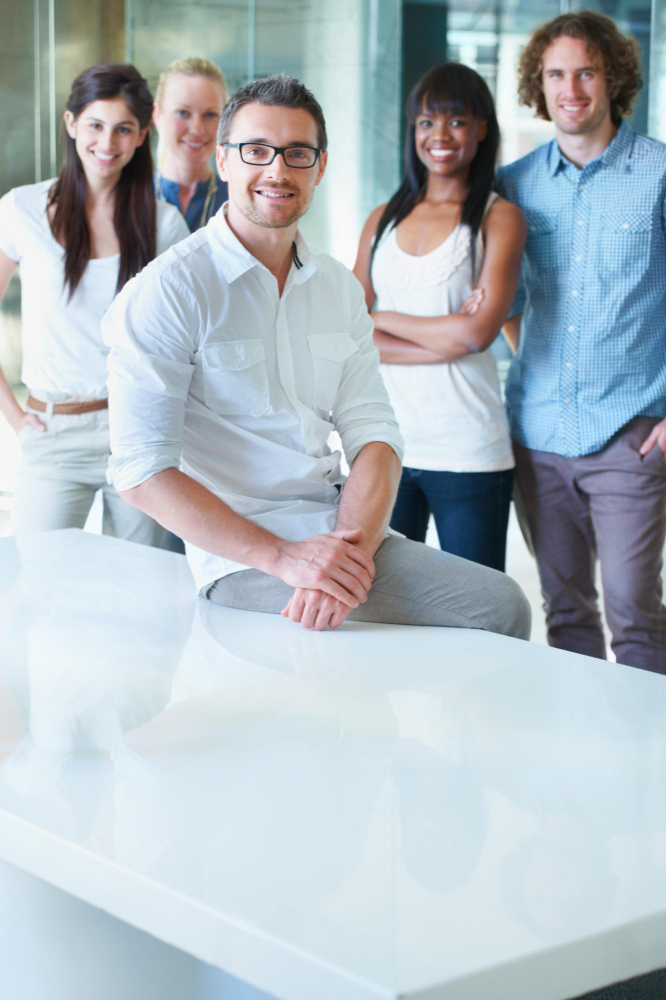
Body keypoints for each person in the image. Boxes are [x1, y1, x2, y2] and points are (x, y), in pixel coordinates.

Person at [103, 74, 530, 639]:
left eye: (297, 153)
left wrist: (345, 554)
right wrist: (287, 559)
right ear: (223, 160)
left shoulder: (337, 287)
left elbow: (375, 435)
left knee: (500, 603)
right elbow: (141, 471)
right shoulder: (168, 290)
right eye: (256, 151)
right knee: (498, 608)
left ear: (320, 167)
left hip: (336, 529)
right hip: (242, 558)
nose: (277, 171)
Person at [495, 12, 666, 671]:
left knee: (634, 612)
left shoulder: (658, 173)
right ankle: (580, 737)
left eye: (586, 72)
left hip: (631, 434)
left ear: (612, 79)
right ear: (539, 86)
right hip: (538, 435)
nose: (571, 89)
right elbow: (509, 303)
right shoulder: (514, 184)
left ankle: (646, 738)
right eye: (557, 75)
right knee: (564, 613)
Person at [0, 62, 189, 540]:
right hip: (52, 433)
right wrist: (16, 420)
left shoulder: (164, 223)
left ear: (142, 135)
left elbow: (185, 339)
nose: (107, 142)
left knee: (141, 578)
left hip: (137, 431)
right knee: (35, 573)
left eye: (123, 129)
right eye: (95, 125)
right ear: (71, 124)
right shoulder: (22, 209)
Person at [354, 63, 525, 572]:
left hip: (468, 447)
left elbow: (475, 335)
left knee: (477, 606)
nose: (439, 136)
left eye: (456, 121)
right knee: (382, 600)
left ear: (481, 128)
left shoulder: (499, 218)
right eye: (426, 122)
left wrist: (383, 317)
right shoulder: (381, 219)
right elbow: (347, 330)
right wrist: (443, 340)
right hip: (383, 445)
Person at [153, 57, 228, 231]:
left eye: (210, 115)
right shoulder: (129, 197)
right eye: (182, 113)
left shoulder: (238, 202)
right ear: (157, 114)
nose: (197, 130)